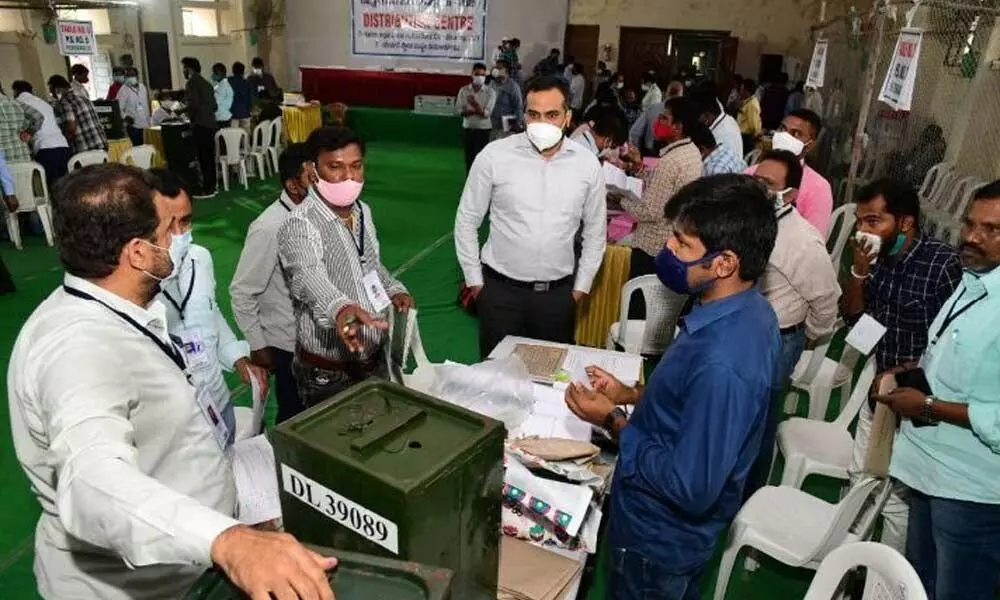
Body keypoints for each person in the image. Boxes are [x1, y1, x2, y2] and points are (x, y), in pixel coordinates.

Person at [7, 163, 335, 600]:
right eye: (167, 230)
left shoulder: (120, 306)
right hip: (135, 588)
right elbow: (91, 481)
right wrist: (227, 540)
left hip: (184, 568)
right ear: (139, 252)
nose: (178, 240)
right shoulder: (78, 349)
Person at [563, 174, 780, 600]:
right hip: (664, 532)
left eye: (682, 245)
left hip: (657, 539)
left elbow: (691, 487)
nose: (667, 251)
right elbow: (690, 406)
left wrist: (612, 421)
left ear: (724, 263)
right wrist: (629, 395)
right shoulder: (745, 311)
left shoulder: (723, 361)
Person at [873, 181, 1000, 600]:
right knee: (920, 585)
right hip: (926, 469)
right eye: (969, 224)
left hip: (970, 492)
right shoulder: (972, 278)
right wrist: (912, 370)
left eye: (991, 229)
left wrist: (927, 404)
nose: (972, 237)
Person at [845, 179, 962, 553]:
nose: (864, 230)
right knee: (860, 475)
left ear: (906, 223)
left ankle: (886, 584)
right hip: (880, 385)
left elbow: (951, 343)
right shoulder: (873, 259)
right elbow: (855, 319)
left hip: (918, 394)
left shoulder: (942, 265)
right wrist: (859, 273)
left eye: (874, 221)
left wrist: (899, 373)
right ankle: (846, 568)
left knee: (898, 498)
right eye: (860, 221)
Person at [455, 76, 606, 359]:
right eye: (534, 114)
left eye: (552, 115)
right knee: (494, 383)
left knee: (548, 384)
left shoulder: (586, 165)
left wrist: (580, 289)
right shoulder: (494, 156)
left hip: (557, 297)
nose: (542, 122)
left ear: (567, 117)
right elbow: (466, 220)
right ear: (524, 115)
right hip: (500, 294)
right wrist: (476, 283)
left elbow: (596, 233)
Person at [277, 127, 414, 406]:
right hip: (328, 372)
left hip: (374, 359)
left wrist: (393, 289)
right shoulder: (299, 223)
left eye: (356, 166)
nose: (349, 177)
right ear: (312, 170)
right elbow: (307, 277)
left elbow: (370, 264)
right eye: (335, 167)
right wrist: (340, 308)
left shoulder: (363, 211)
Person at [150, 168, 269, 445]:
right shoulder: (138, 284)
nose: (180, 234)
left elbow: (210, 312)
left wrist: (237, 358)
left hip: (216, 398)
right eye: (169, 225)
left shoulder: (199, 258)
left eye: (186, 221)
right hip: (176, 421)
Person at [747, 150, 840, 496]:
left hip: (777, 339)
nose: (758, 189)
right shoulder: (749, 221)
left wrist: (803, 335)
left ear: (791, 195)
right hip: (744, 332)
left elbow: (826, 301)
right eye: (755, 180)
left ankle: (749, 495)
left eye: (767, 185)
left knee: (759, 422)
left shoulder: (802, 241)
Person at [231, 144, 312, 423]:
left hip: (323, 340)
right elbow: (242, 291)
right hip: (290, 346)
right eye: (313, 178)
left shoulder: (322, 216)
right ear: (293, 185)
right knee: (296, 419)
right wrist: (258, 343)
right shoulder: (269, 228)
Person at [622, 97, 702, 285]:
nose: (658, 123)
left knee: (639, 306)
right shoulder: (691, 151)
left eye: (665, 119)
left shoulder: (670, 162)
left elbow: (651, 211)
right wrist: (640, 167)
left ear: (678, 126)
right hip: (672, 240)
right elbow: (663, 190)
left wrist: (620, 200)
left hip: (652, 246)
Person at [752, 109, 833, 235]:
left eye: (796, 133)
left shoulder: (818, 188)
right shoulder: (751, 172)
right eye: (782, 129)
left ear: (810, 145)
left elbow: (814, 238)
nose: (785, 136)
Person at [12, 81, 69, 188]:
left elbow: (37, 119)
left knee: (52, 186)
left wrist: (28, 132)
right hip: (63, 145)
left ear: (16, 91)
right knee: (65, 185)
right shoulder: (43, 102)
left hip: (45, 148)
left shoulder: (18, 102)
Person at [181, 57, 219, 199]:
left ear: (189, 69)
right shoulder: (207, 84)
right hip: (210, 124)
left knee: (203, 158)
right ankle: (212, 186)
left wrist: (185, 113)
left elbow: (193, 105)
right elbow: (214, 106)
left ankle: (206, 189)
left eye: (184, 68)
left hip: (200, 125)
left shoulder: (192, 83)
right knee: (209, 157)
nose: (183, 71)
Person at [49, 75, 107, 154]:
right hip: (101, 145)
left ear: (57, 90)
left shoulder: (65, 102)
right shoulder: (84, 99)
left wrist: (64, 138)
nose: (53, 96)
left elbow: (71, 127)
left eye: (52, 92)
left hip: (85, 149)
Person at [455, 62, 497, 172]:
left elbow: (487, 114)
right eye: (477, 74)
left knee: (481, 160)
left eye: (483, 75)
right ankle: (469, 184)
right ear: (472, 74)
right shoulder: (464, 90)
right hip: (468, 128)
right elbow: (458, 110)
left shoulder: (490, 92)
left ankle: (481, 185)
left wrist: (474, 104)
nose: (480, 77)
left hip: (483, 130)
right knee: (469, 159)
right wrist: (473, 111)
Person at [689, 85, 744, 158]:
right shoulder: (729, 119)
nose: (696, 120)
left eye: (696, 117)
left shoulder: (720, 136)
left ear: (707, 116)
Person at [0, 80, 42, 163]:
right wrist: (29, 132)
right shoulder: (16, 103)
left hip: (4, 165)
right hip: (23, 159)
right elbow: (39, 117)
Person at [116, 67, 150, 148]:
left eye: (132, 75)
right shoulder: (123, 90)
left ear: (137, 76)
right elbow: (117, 107)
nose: (130, 78)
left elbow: (146, 103)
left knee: (147, 148)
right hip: (133, 125)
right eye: (127, 76)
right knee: (137, 148)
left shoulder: (142, 87)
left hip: (146, 124)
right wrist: (125, 117)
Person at [489, 59, 523, 139]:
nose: (496, 70)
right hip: (493, 124)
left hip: (507, 125)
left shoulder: (513, 87)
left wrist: (517, 124)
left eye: (499, 68)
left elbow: (518, 107)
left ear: (506, 70)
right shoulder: (492, 84)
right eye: (496, 68)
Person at [248, 57, 282, 121]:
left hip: (265, 108)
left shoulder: (268, 78)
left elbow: (276, 92)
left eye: (258, 67)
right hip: (262, 108)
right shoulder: (251, 79)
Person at [737, 78, 762, 153]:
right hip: (743, 135)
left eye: (741, 89)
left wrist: (756, 136)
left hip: (746, 137)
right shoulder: (748, 102)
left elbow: (753, 125)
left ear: (746, 91)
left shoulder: (752, 104)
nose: (740, 92)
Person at [229, 62, 253, 132]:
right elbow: (250, 98)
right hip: (245, 113)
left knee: (234, 137)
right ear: (243, 71)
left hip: (233, 114)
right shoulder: (247, 83)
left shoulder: (228, 81)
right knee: (246, 136)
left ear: (233, 71)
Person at [212, 63, 234, 128]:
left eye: (214, 72)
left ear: (219, 73)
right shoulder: (219, 85)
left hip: (222, 118)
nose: (212, 75)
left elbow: (215, 101)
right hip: (221, 117)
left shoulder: (223, 86)